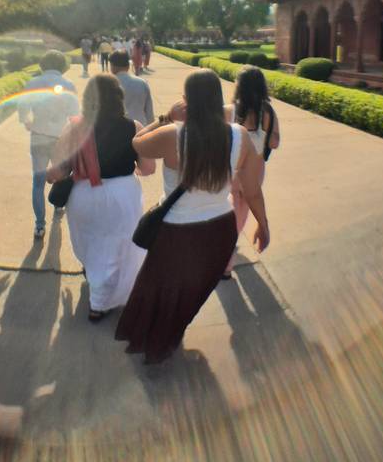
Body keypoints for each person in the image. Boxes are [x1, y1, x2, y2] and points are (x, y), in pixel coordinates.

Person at [115, 68, 269, 364]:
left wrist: (165, 117)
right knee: (192, 291)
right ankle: (173, 333)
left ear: (188, 100)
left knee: (161, 290)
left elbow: (136, 142)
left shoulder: (173, 134)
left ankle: (159, 340)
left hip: (177, 233)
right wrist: (263, 224)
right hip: (220, 230)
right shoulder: (239, 136)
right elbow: (252, 190)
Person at [47, 74, 155, 321]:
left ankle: (97, 293)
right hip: (123, 195)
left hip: (84, 194)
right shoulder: (134, 127)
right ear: (119, 97)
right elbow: (148, 168)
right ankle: (103, 299)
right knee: (118, 246)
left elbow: (59, 166)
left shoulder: (75, 126)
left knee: (89, 242)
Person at [223, 65, 280, 275]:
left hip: (232, 170)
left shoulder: (229, 110)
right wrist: (262, 136)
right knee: (241, 212)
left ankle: (225, 251)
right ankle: (226, 263)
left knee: (230, 209)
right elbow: (274, 143)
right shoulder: (268, 111)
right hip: (255, 172)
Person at [18, 50, 79, 240]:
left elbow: (22, 109)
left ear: (42, 64)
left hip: (39, 136)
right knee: (61, 176)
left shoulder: (33, 83)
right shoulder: (68, 85)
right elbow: (75, 115)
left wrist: (28, 121)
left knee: (37, 183)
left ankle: (39, 225)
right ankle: (58, 205)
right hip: (61, 138)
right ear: (62, 65)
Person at [109, 49, 154, 127]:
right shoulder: (142, 83)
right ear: (128, 66)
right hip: (140, 129)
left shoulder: (107, 84)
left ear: (112, 66)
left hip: (114, 131)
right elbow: (149, 113)